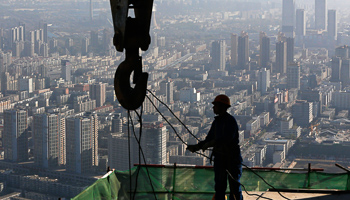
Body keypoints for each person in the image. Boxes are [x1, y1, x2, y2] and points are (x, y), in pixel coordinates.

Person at [187, 94, 243, 200]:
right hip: (221, 158)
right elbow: (209, 139)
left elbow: (226, 139)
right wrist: (197, 147)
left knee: (234, 188)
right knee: (220, 188)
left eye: (215, 105)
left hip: (231, 158)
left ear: (221, 106)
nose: (213, 108)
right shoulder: (217, 122)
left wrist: (210, 143)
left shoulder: (230, 121)